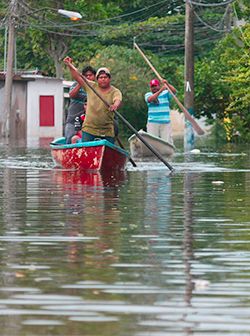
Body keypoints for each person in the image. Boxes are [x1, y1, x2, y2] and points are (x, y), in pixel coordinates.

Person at [63, 57, 122, 144]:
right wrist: (69, 65)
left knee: (108, 147)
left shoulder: (115, 91)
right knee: (82, 145)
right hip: (89, 129)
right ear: (97, 79)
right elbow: (77, 77)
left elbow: (117, 99)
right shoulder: (91, 86)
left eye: (105, 77)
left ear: (109, 79)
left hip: (107, 129)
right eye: (101, 77)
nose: (103, 79)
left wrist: (115, 105)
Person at [64, 66, 96, 144]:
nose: (88, 77)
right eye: (86, 75)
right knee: (70, 138)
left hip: (90, 122)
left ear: (94, 76)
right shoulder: (76, 84)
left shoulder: (96, 88)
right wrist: (80, 83)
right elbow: (72, 95)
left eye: (90, 75)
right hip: (73, 120)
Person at [145, 78, 177, 145]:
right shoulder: (148, 94)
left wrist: (167, 84)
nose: (154, 88)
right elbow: (150, 99)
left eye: (155, 86)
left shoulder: (166, 94)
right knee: (152, 142)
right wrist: (160, 91)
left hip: (165, 122)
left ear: (159, 86)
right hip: (153, 122)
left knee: (166, 141)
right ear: (150, 88)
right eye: (152, 86)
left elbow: (174, 91)